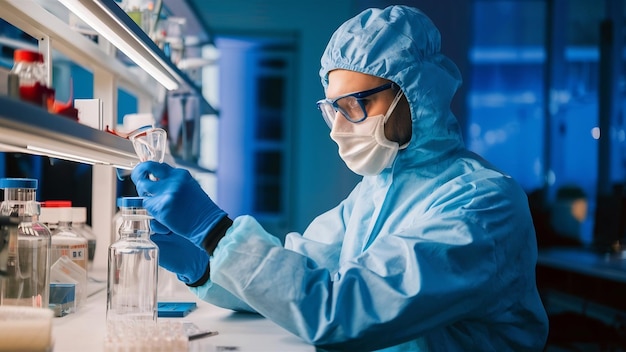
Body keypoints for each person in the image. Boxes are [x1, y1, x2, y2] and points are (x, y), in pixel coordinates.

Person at [131, 5, 549, 351]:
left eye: (355, 105)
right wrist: (203, 263)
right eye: (332, 108)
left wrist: (214, 232)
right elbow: (297, 276)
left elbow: (344, 311)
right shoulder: (372, 194)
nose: (337, 127)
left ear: (415, 94)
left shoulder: (482, 203)